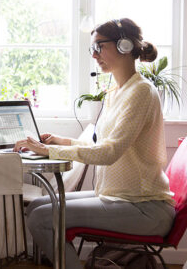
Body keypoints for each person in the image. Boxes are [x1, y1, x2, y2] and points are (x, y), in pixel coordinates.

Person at [14, 18, 175, 269]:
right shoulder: (116, 92)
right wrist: (60, 141)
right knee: (36, 206)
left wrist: (48, 150)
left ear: (124, 46)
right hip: (118, 198)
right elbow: (101, 144)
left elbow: (109, 153)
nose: (94, 54)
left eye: (99, 46)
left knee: (42, 218)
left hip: (144, 208)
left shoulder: (141, 92)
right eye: (92, 48)